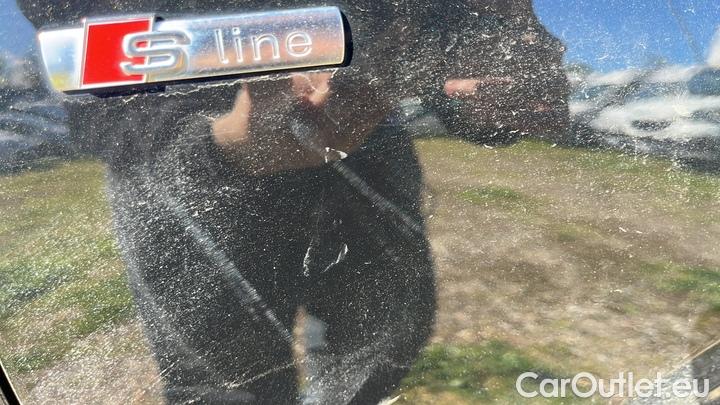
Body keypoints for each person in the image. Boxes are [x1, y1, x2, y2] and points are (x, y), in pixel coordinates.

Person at [19, 1, 437, 403]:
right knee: (224, 384)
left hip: (360, 122)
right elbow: (74, 43)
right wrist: (201, 147)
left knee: (382, 346)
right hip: (183, 151)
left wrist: (452, 73)